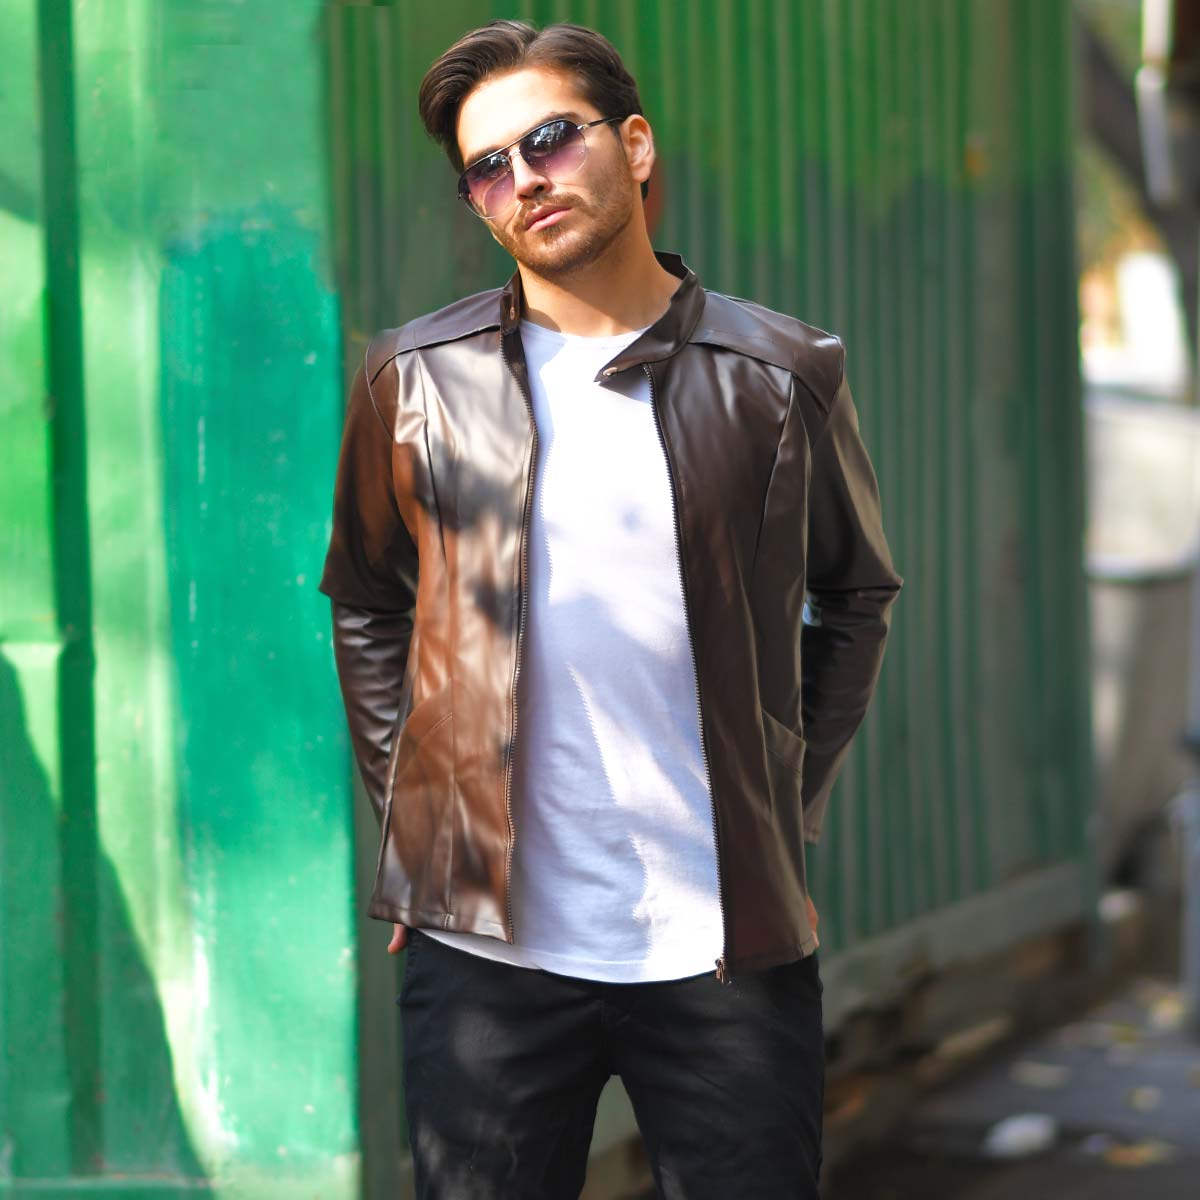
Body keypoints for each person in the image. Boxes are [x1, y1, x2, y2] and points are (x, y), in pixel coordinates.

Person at [318, 17, 902, 1199]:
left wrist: (777, 811)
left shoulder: (781, 374)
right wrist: (420, 826)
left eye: (550, 140)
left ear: (633, 145)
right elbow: (368, 602)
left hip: (723, 945)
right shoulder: (413, 379)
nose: (524, 179)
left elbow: (856, 595)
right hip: (486, 959)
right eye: (488, 167)